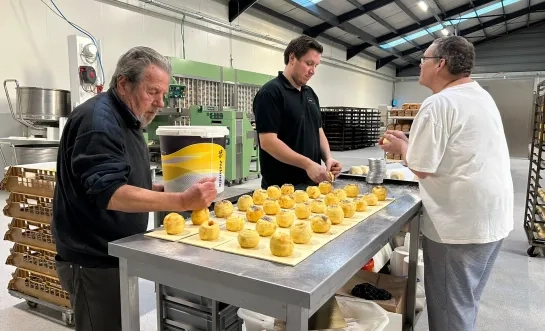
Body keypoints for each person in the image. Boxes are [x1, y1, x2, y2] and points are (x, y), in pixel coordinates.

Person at [52, 46, 217, 331]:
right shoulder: (98, 123)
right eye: (153, 92)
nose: (160, 102)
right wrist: (179, 200)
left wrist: (162, 189)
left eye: (163, 94)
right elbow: (110, 193)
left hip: (115, 251)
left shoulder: (127, 119)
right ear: (124, 84)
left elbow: (119, 179)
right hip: (92, 258)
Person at [380, 36, 514, 331]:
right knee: (464, 305)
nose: (419, 65)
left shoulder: (439, 102)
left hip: (459, 227)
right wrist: (410, 142)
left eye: (424, 59)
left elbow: (421, 167)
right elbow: (455, 149)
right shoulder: (478, 95)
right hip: (492, 219)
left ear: (440, 64)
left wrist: (402, 149)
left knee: (449, 314)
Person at [253, 35, 342, 189]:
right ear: (292, 57)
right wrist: (307, 164)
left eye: (316, 65)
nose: (313, 71)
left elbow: (318, 130)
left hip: (313, 185)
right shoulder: (271, 93)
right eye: (309, 64)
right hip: (282, 190)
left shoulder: (310, 94)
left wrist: (328, 158)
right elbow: (268, 142)